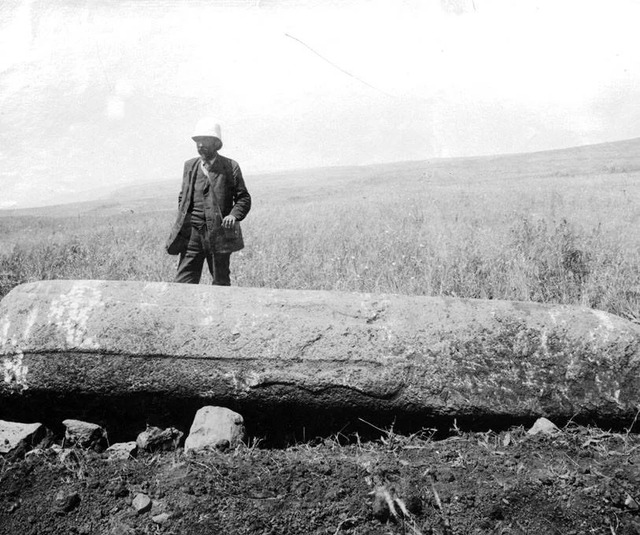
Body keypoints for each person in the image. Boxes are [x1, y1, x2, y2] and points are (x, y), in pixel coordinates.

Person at [166, 118, 251, 285]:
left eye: (205, 140)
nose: (200, 145)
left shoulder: (230, 166)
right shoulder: (190, 166)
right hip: (192, 236)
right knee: (182, 285)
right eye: (197, 141)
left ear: (216, 143)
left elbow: (243, 198)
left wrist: (234, 215)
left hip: (219, 235)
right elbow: (183, 196)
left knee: (221, 283)